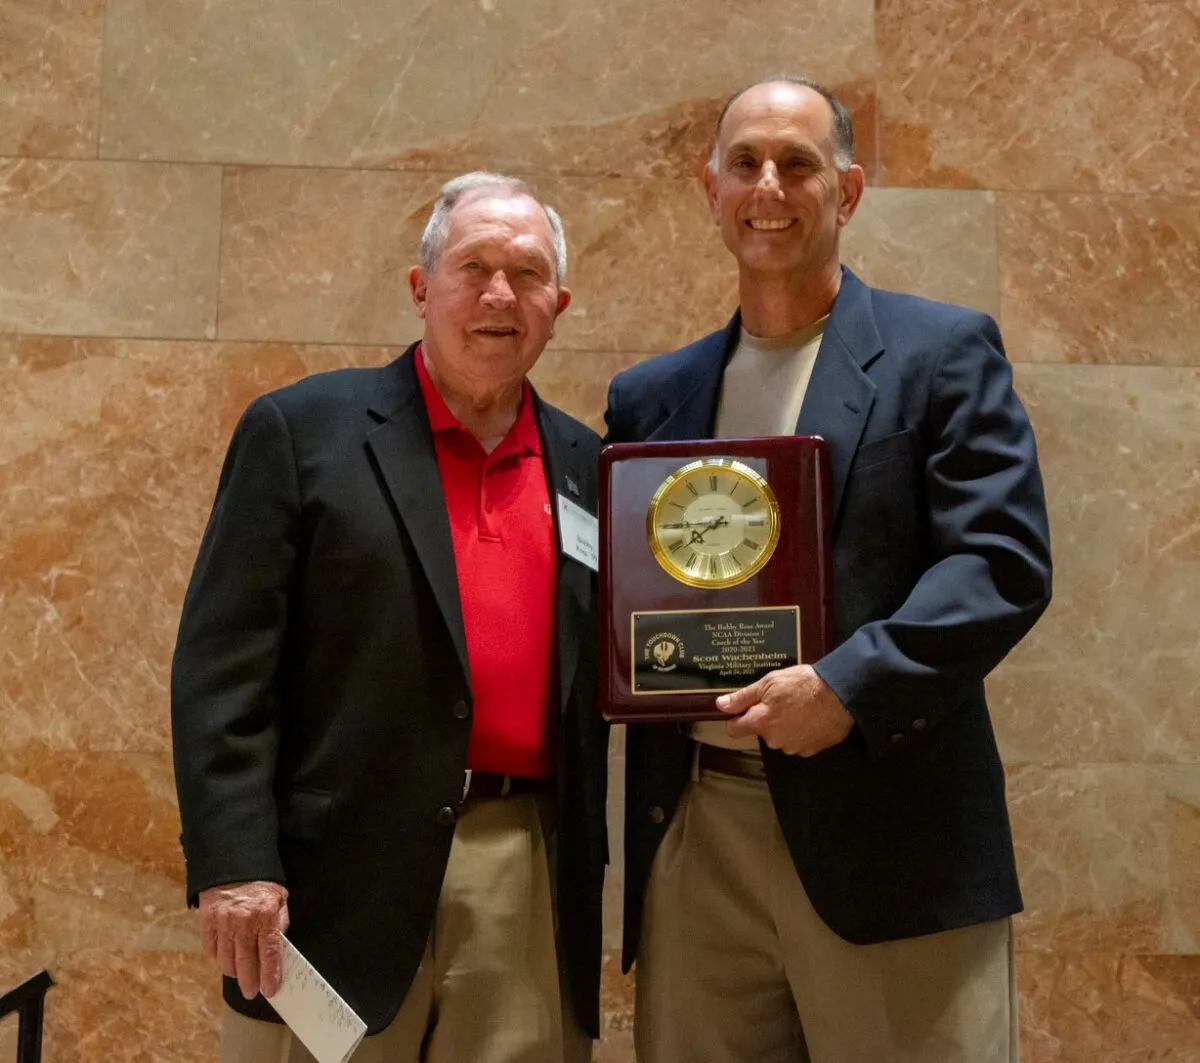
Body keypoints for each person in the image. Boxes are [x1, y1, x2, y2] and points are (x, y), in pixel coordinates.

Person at [604, 77, 1052, 1062]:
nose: (770, 185)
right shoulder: (652, 399)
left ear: (845, 192)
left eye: (799, 164)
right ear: (708, 189)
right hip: (697, 833)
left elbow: (1002, 562)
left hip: (891, 834)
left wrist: (848, 686)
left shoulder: (941, 353)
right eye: (746, 163)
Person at [171, 172, 607, 1063]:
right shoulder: (302, 432)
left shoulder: (590, 466)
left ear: (557, 305)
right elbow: (223, 665)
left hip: (524, 870)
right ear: (421, 288)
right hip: (331, 877)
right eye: (472, 265)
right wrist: (233, 861)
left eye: (526, 275)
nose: (498, 294)